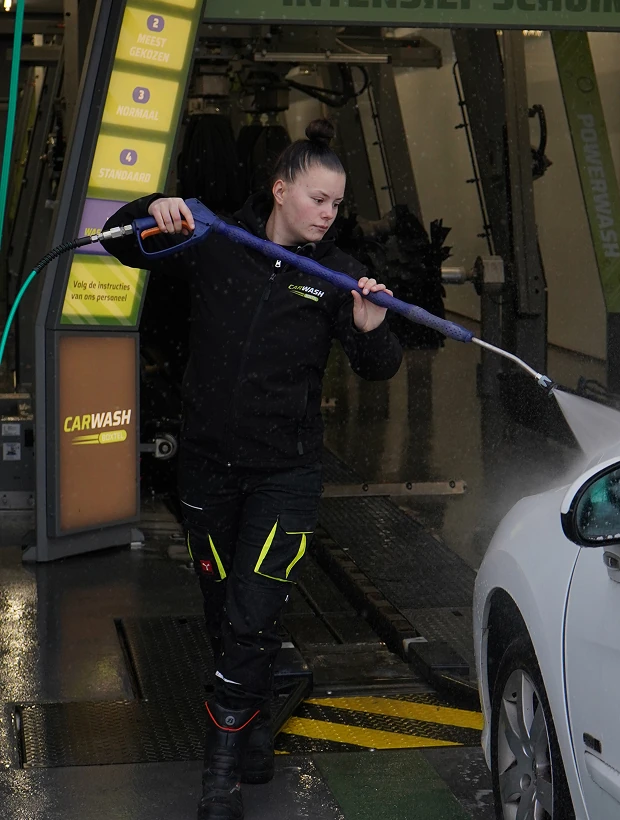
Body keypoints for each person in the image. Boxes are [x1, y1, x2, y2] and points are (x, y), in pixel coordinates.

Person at [102, 119, 403, 820]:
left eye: (336, 204)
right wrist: (150, 208)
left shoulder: (330, 276)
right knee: (223, 612)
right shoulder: (214, 243)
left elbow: (381, 366)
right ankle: (254, 719)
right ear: (280, 189)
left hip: (284, 476)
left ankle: (222, 775)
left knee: (252, 613)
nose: (329, 214)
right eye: (317, 199)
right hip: (207, 471)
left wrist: (371, 327)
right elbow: (122, 245)